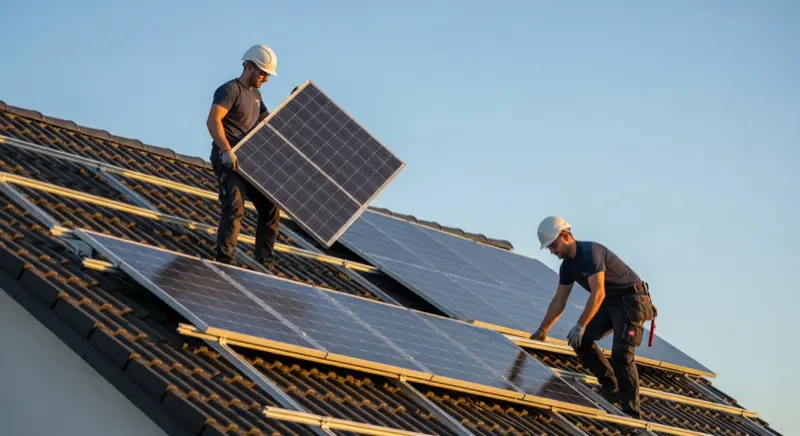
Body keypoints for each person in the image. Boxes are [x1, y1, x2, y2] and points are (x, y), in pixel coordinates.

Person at [531, 216, 656, 419]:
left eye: (553, 245)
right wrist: (542, 330)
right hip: (610, 304)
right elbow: (559, 300)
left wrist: (580, 324)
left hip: (631, 301)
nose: (552, 251)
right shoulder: (567, 267)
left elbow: (598, 293)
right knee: (582, 342)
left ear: (566, 236)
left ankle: (632, 413)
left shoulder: (591, 253)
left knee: (622, 356)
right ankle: (611, 387)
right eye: (549, 247)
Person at [206, 44, 281, 268]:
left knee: (270, 207)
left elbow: (271, 124)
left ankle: (264, 262)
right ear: (249, 67)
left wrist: (294, 101)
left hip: (249, 161)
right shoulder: (230, 90)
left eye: (267, 75)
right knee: (235, 206)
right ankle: (226, 261)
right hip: (229, 159)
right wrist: (226, 150)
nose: (265, 79)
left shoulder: (257, 96)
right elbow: (213, 121)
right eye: (263, 73)